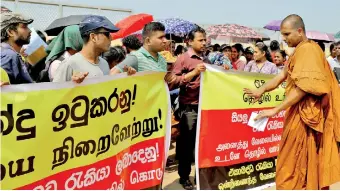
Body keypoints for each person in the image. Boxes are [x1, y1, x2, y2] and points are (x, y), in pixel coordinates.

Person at [244, 14, 340, 190]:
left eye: (287, 34)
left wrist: (274, 110)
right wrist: (262, 90)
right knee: (290, 163)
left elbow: (304, 88)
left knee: (296, 164)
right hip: (297, 114)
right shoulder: (299, 51)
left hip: (306, 118)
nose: (284, 39)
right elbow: (282, 75)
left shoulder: (309, 50)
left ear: (300, 31)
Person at [168, 27, 210, 190]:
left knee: (202, 143)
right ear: (190, 42)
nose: (204, 42)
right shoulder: (183, 59)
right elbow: (172, 82)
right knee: (186, 143)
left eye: (205, 39)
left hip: (205, 106)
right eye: (200, 40)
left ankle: (200, 175)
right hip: (189, 107)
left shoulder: (207, 59)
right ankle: (184, 176)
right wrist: (192, 73)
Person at [53, 15, 119, 82]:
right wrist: (72, 85)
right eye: (107, 34)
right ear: (93, 37)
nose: (111, 38)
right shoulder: (69, 64)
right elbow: (54, 91)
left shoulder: (104, 64)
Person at [0, 12, 34, 84]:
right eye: (24, 27)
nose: (29, 31)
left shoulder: (11, 54)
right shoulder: (8, 56)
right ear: (10, 32)